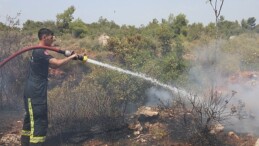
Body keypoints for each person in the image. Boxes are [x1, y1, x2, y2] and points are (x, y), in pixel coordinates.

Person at [21, 28, 78, 146]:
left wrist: (67, 53)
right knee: (39, 121)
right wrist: (71, 58)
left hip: (34, 90)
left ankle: (25, 143)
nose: (53, 39)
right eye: (51, 37)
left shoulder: (39, 51)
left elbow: (52, 60)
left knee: (31, 120)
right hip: (35, 92)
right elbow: (56, 64)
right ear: (44, 37)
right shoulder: (40, 52)